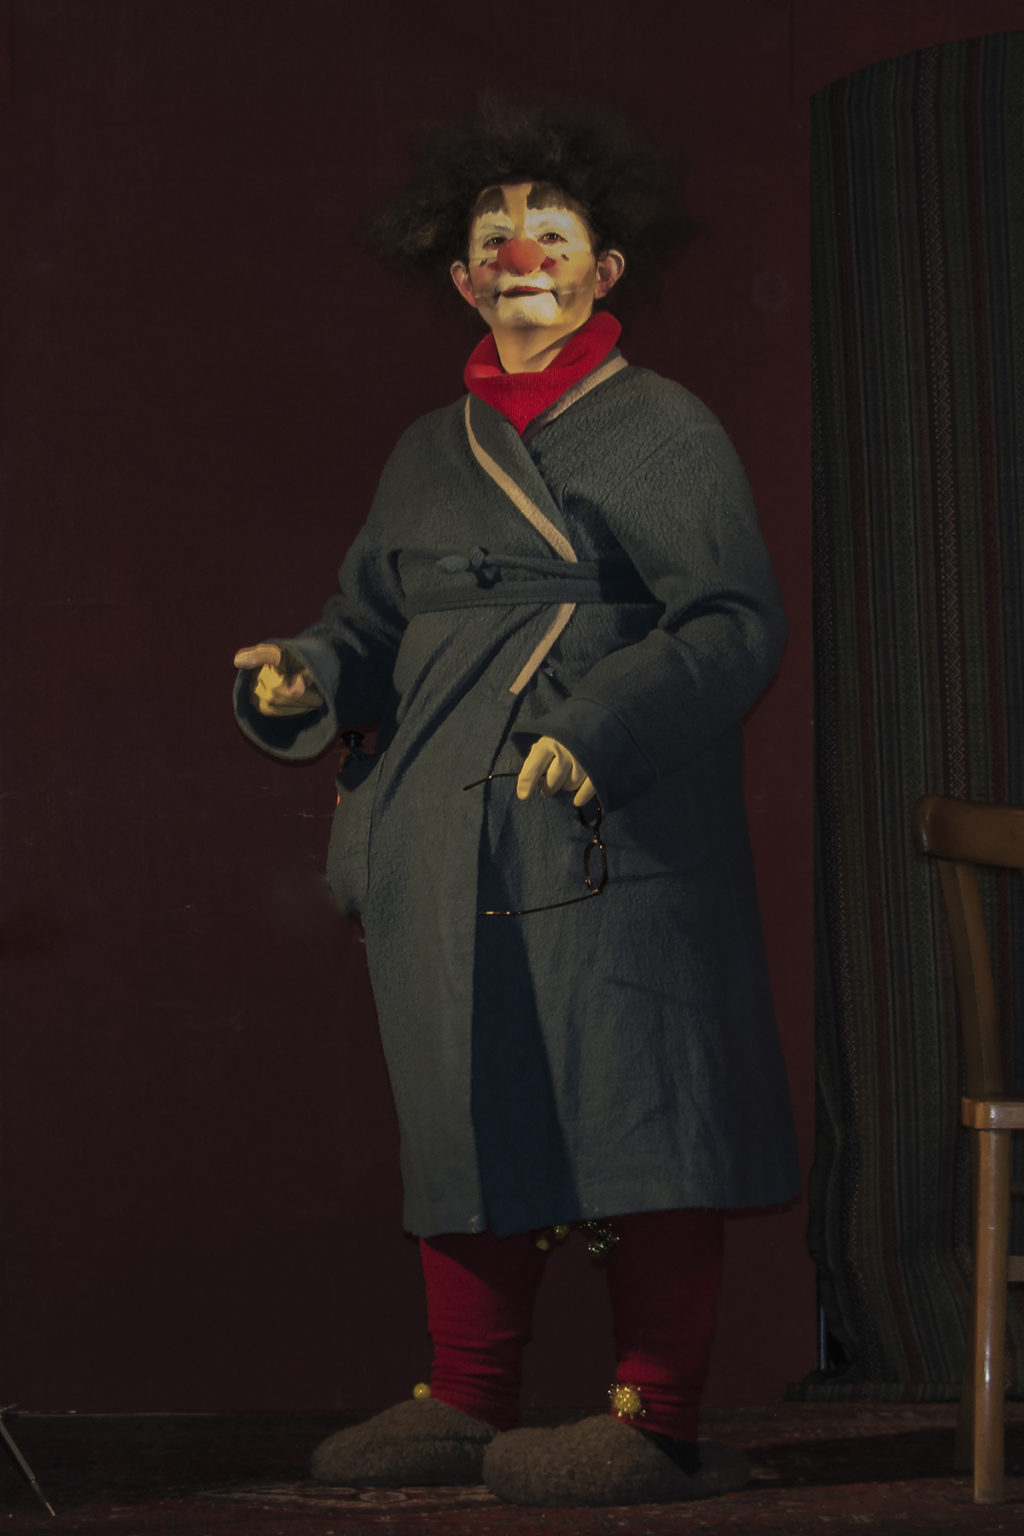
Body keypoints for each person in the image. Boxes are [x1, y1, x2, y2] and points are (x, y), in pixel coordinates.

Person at [233, 98, 800, 1507]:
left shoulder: (665, 426)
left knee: (642, 1095)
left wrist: (601, 725)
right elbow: (368, 624)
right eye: (493, 237)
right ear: (461, 277)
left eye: (551, 230)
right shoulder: (426, 452)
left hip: (613, 822)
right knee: (459, 1091)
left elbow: (732, 622)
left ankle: (654, 1416)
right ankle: (466, 1398)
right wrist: (308, 674)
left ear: (605, 269)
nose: (520, 253)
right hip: (440, 821)